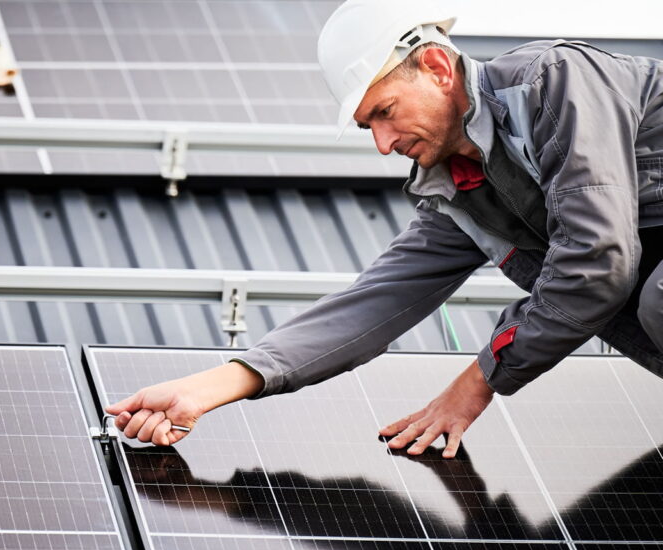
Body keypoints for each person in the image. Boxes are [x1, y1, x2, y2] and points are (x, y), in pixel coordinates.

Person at [106, 0, 663, 458]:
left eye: (385, 111)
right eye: (367, 125)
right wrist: (208, 387)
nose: (382, 143)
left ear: (438, 68)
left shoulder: (553, 85)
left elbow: (596, 263)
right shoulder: (460, 192)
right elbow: (373, 303)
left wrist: (477, 383)